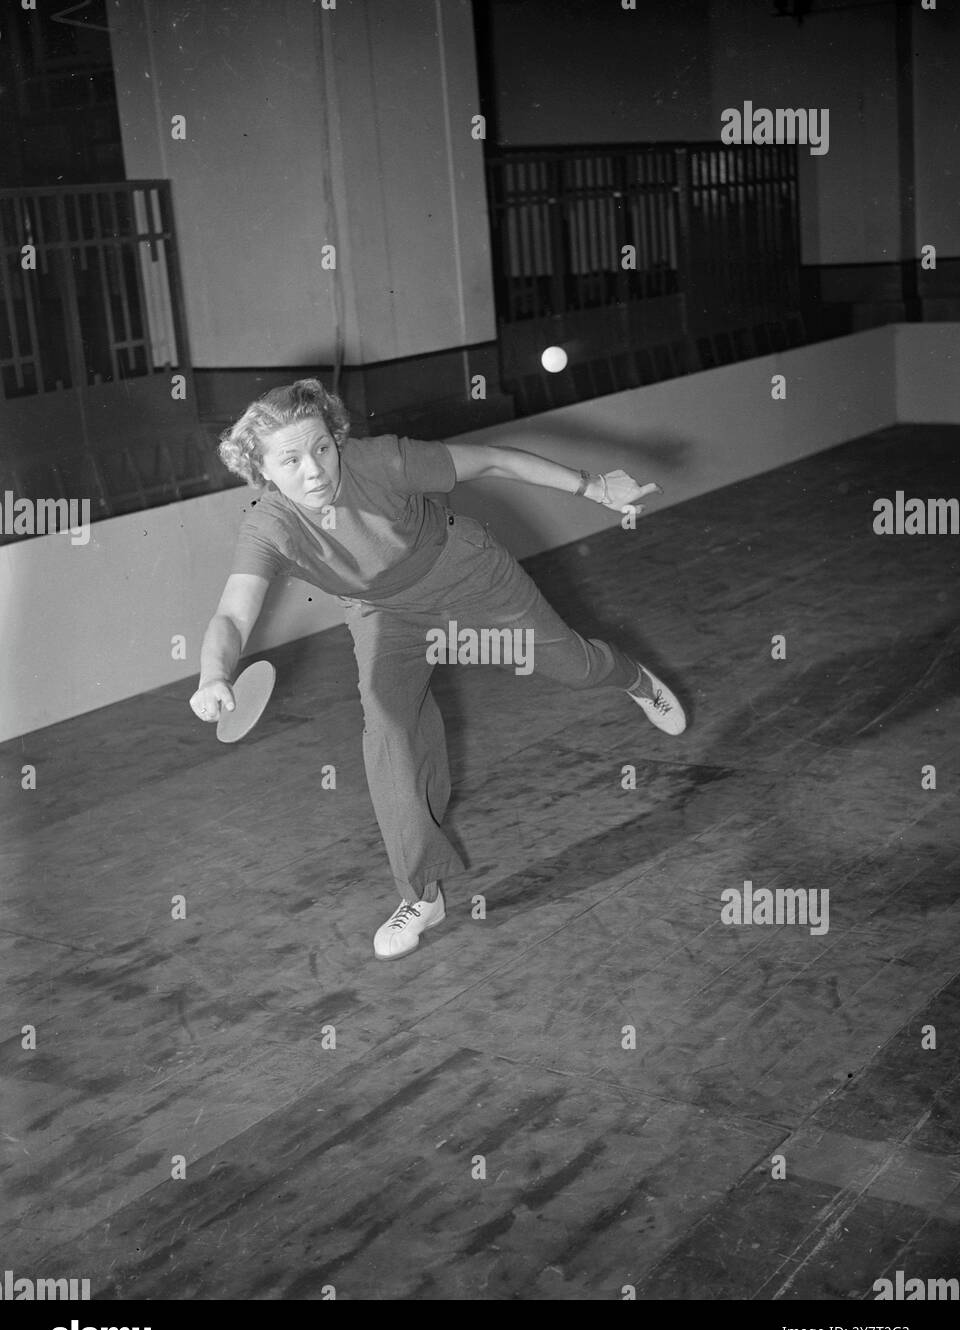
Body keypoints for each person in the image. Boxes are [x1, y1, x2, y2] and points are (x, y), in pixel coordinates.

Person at [190, 379, 686, 961]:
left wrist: (592, 485)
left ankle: (630, 677)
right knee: (388, 729)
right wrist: (213, 675)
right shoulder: (267, 527)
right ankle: (422, 894)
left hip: (466, 574)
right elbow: (231, 613)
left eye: (322, 447)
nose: (316, 469)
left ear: (336, 437)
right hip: (383, 614)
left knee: (572, 666)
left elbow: (495, 460)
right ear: (263, 470)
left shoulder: (383, 461)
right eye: (291, 460)